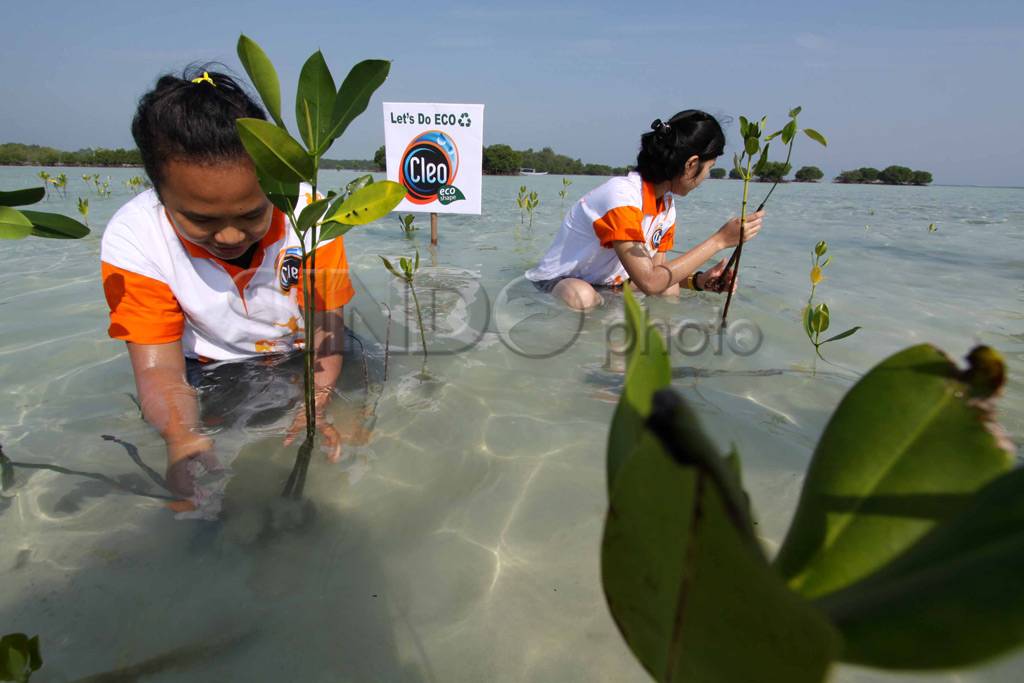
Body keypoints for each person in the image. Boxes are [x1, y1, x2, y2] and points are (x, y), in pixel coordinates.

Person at [100, 69, 353, 496]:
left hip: (306, 354)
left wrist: (319, 403)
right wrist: (182, 438)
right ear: (160, 196)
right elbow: (160, 370)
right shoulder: (135, 237)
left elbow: (329, 336)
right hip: (214, 370)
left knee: (357, 430)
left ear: (275, 185)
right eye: (201, 219)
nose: (231, 237)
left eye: (253, 214)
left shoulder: (313, 217)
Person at [525, 110, 764, 310]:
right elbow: (649, 282)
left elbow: (658, 275)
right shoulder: (622, 196)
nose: (707, 176)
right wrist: (719, 241)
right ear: (691, 164)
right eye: (709, 167)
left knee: (668, 288)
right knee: (581, 296)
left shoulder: (666, 207)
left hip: (607, 284)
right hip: (557, 284)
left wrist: (698, 281)